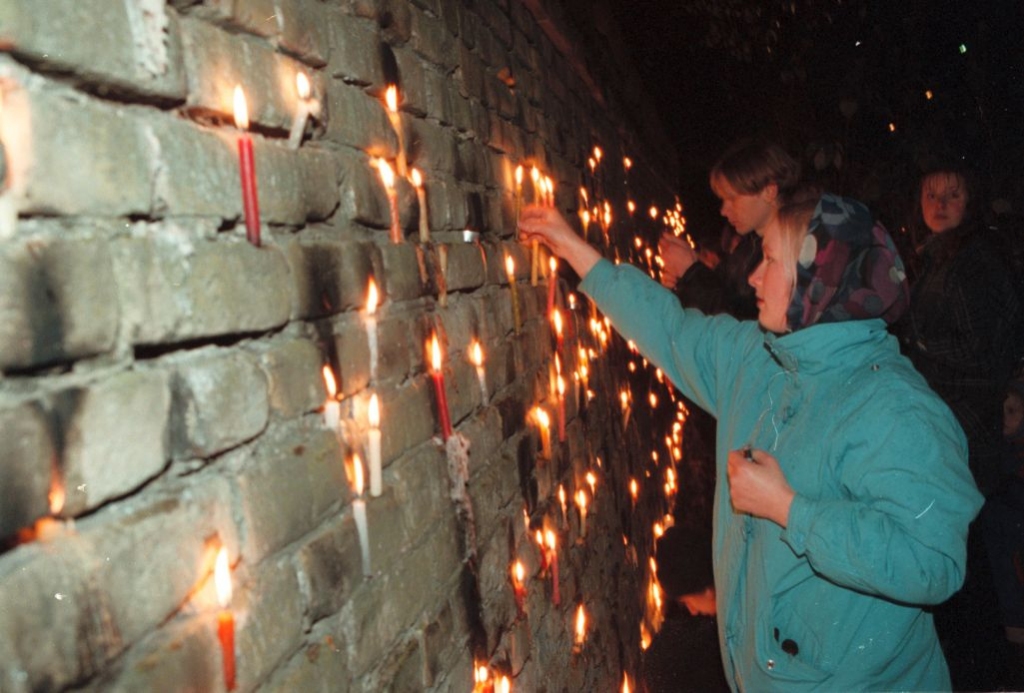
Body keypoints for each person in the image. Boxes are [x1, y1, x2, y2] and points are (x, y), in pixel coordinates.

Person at [519, 195, 983, 691]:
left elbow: (931, 562)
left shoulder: (895, 409)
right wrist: (573, 249)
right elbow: (671, 328)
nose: (754, 277)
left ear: (818, 279)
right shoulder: (757, 359)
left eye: (771, 262)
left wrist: (791, 509)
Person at [898, 164, 1023, 493]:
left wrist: (918, 340)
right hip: (950, 420)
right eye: (931, 195)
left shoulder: (972, 262)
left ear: (969, 202)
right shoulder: (939, 255)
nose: (939, 205)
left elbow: (983, 351)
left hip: (966, 425)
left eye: (952, 196)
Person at [659, 139, 802, 320]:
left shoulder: (794, 251)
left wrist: (691, 272)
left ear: (769, 191)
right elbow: (724, 294)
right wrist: (686, 277)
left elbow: (743, 325)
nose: (723, 211)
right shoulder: (749, 246)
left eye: (732, 199)